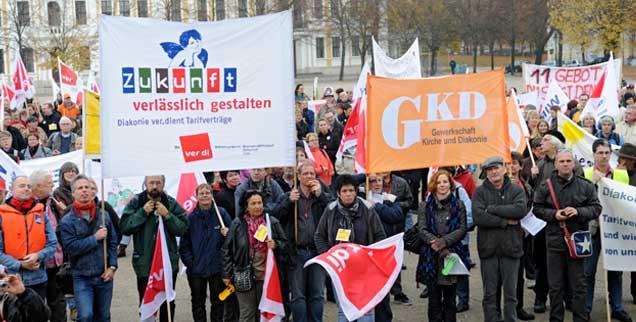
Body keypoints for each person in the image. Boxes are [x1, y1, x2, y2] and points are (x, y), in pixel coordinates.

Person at [533, 149, 602, 322]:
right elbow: (537, 209)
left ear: (574, 163)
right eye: (561, 161)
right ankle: (556, 319)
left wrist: (578, 211)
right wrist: (554, 215)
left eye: (568, 161)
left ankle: (580, 318)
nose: (565, 164)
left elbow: (596, 208)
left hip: (579, 239)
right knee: (555, 286)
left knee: (579, 285)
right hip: (555, 239)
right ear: (556, 164)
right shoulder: (545, 186)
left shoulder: (585, 185)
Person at [314, 174, 386, 322]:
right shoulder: (330, 210)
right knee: (344, 311)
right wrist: (329, 257)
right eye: (345, 191)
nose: (348, 194)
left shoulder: (368, 209)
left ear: (356, 191)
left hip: (364, 269)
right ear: (338, 194)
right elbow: (319, 236)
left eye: (351, 191)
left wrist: (371, 257)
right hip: (341, 270)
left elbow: (380, 236)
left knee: (365, 311)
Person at [120, 175, 188, 322]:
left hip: (167, 264)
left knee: (167, 303)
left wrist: (168, 215)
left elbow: (183, 228)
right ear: (145, 184)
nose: (155, 186)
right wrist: (142, 213)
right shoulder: (136, 202)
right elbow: (125, 227)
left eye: (158, 183)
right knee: (147, 302)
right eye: (152, 183)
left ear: (163, 184)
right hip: (144, 265)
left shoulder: (170, 203)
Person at [273, 162, 332, 322]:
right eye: (305, 174)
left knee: (317, 294)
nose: (309, 177)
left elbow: (334, 211)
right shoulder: (288, 195)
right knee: (298, 295)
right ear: (298, 176)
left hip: (317, 251)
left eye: (312, 174)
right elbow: (275, 216)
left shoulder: (320, 195)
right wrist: (289, 202)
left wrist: (321, 196)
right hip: (296, 252)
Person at [582, 139, 632, 322]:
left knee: (616, 271)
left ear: (611, 154)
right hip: (592, 229)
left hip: (614, 229)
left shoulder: (621, 174)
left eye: (606, 152)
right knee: (588, 272)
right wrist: (592, 184)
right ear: (593, 154)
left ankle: (617, 307)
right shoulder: (586, 173)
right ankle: (586, 309)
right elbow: (579, 199)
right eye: (600, 153)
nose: (603, 156)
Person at [473, 157, 527, 322]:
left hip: (511, 248)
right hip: (488, 249)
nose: (494, 172)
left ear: (504, 169)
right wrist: (504, 221)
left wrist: (492, 209)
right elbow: (479, 217)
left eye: (496, 168)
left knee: (511, 294)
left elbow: (519, 210)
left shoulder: (516, 190)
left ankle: (510, 319)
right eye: (489, 169)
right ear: (486, 173)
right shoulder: (479, 192)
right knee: (489, 293)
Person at [59, 175, 118, 322]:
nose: (84, 190)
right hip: (81, 277)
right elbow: (71, 247)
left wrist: (112, 266)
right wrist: (94, 238)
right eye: (80, 188)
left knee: (103, 317)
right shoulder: (67, 220)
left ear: (93, 192)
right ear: (73, 193)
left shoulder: (103, 215)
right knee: (85, 316)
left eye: (87, 187)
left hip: (103, 275)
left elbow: (112, 242)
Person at [222, 190, 288, 322]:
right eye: (253, 203)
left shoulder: (272, 222)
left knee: (264, 313)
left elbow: (286, 246)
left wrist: (276, 244)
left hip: (267, 276)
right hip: (243, 274)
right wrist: (226, 274)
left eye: (260, 203)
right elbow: (226, 250)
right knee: (247, 314)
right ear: (246, 206)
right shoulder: (237, 224)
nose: (257, 206)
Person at [416, 170, 467, 322]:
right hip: (431, 259)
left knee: (450, 300)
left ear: (450, 184)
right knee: (434, 301)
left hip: (451, 256)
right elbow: (422, 229)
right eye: (439, 182)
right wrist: (437, 245)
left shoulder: (459, 205)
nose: (442, 185)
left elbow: (462, 228)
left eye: (445, 182)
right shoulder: (424, 206)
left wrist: (444, 242)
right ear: (434, 185)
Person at [179, 183, 233, 322]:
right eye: (201, 193)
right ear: (196, 197)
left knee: (218, 302)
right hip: (196, 270)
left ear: (212, 195)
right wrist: (191, 264)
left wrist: (228, 234)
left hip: (217, 268)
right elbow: (184, 245)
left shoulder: (221, 214)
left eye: (207, 193)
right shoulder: (190, 218)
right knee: (198, 303)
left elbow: (233, 238)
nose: (205, 196)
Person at [0, 176, 57, 299]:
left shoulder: (40, 213)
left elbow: (53, 243)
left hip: (39, 279)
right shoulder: (1, 215)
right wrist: (19, 264)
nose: (26, 189)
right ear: (12, 189)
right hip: (12, 281)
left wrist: (38, 256)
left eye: (28, 186)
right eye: (22, 186)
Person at [30, 170, 66, 322]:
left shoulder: (54, 202)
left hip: (55, 262)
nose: (52, 186)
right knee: (35, 305)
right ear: (38, 186)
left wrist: (64, 213)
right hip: (35, 263)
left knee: (57, 302)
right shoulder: (29, 205)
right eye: (49, 183)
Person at [377, 171, 413, 305]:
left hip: (396, 227)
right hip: (377, 228)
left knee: (395, 260)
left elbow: (410, 201)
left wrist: (394, 204)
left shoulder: (401, 183)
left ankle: (397, 291)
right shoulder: (370, 182)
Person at [507, 152, 536, 321]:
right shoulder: (500, 186)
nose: (511, 166)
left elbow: (531, 205)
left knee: (519, 274)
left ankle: (518, 307)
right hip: (505, 236)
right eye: (508, 163)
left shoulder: (526, 186)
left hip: (523, 235)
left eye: (514, 163)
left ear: (520, 166)